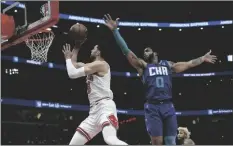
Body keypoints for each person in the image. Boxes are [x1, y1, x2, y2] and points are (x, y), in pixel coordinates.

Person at [103, 14, 217, 145]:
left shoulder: (168, 65)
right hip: (153, 106)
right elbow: (126, 50)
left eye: (148, 50)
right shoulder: (143, 66)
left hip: (168, 105)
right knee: (157, 142)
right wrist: (115, 31)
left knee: (170, 141)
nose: (146, 52)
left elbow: (188, 63)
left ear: (155, 53)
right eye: (144, 52)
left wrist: (202, 59)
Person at [62, 42, 128, 145]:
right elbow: (74, 65)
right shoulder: (91, 66)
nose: (91, 50)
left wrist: (67, 58)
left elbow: (72, 74)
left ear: (98, 52)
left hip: (105, 107)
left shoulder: (101, 64)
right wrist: (76, 47)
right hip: (93, 111)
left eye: (94, 48)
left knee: (110, 139)